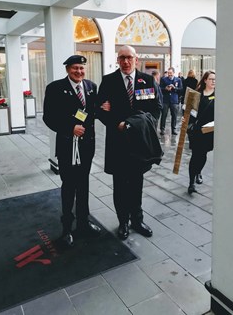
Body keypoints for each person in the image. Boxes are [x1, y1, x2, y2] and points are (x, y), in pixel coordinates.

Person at [97, 45, 162, 240]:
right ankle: (123, 222)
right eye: (121, 58)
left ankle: (137, 220)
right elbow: (100, 111)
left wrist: (135, 124)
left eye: (129, 58)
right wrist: (116, 123)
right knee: (120, 184)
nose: (125, 61)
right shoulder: (108, 81)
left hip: (139, 143)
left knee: (136, 182)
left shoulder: (147, 80)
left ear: (136, 59)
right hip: (118, 142)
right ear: (117, 60)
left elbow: (156, 109)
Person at [43, 55, 101, 247]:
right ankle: (67, 228)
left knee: (83, 184)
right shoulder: (55, 88)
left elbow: (91, 112)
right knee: (69, 185)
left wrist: (102, 109)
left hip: (86, 146)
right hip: (68, 145)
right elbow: (49, 117)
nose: (79, 72)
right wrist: (70, 128)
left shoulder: (91, 86)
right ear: (68, 69)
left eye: (82, 68)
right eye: (75, 68)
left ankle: (83, 223)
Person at [187, 70, 215, 194]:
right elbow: (189, 112)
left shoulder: (220, 95)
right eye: (211, 79)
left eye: (215, 80)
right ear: (205, 80)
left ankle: (198, 172)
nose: (214, 81)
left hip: (211, 131)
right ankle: (191, 182)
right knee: (195, 155)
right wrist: (186, 119)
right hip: (197, 130)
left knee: (203, 155)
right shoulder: (197, 94)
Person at [159, 67, 183, 135]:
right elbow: (160, 88)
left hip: (174, 100)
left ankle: (173, 129)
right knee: (164, 115)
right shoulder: (163, 79)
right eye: (169, 73)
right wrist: (165, 88)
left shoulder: (178, 80)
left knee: (174, 116)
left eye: (171, 73)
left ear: (173, 73)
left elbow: (181, 89)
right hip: (165, 100)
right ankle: (162, 129)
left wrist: (174, 88)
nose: (169, 74)